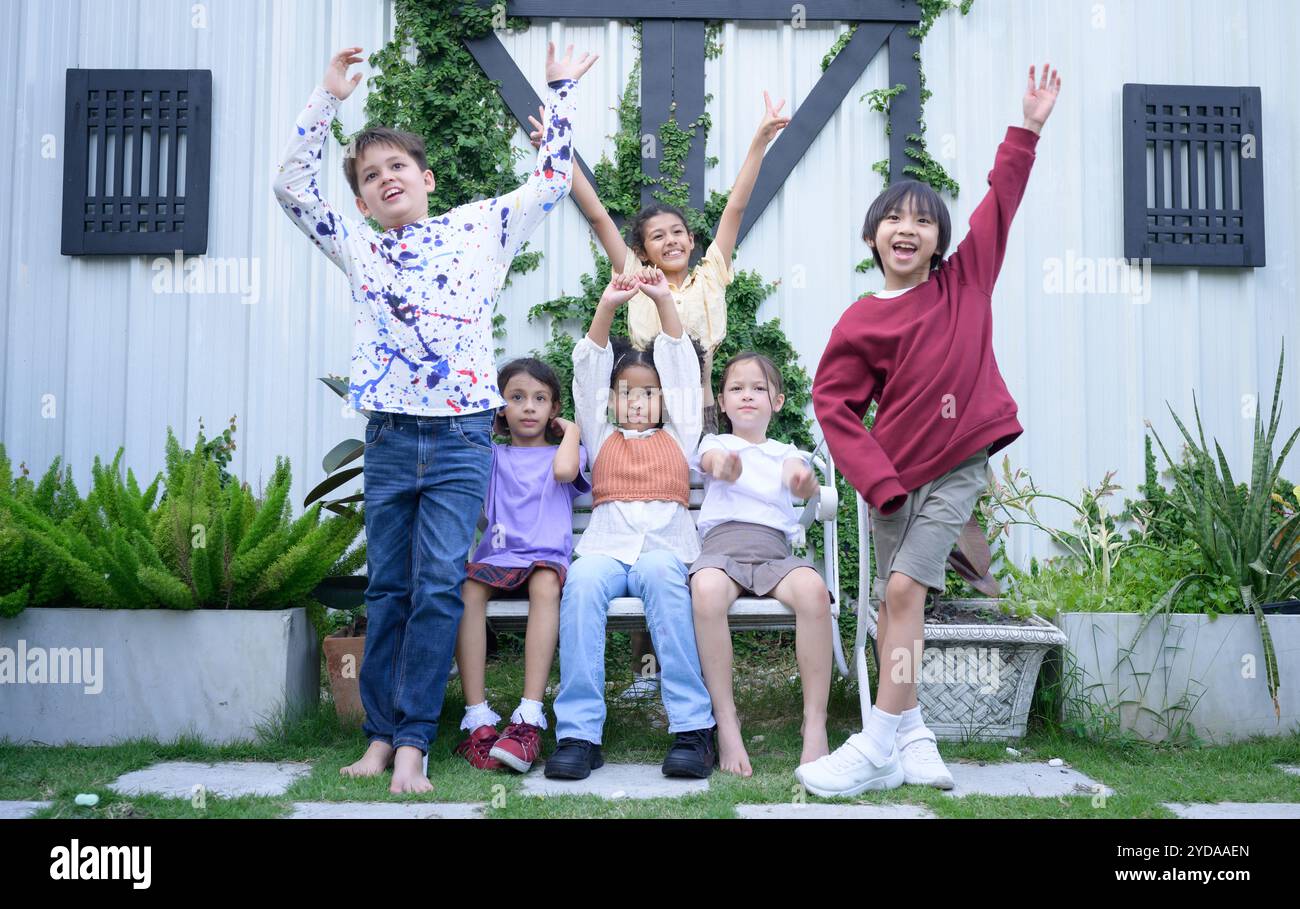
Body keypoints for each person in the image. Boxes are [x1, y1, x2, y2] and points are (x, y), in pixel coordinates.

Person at [274, 42, 596, 793]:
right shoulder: (356, 245)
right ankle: (379, 736)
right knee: (388, 588)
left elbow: (553, 178)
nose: (385, 179)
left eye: (397, 168)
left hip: (458, 439)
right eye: (369, 176)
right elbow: (291, 187)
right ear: (359, 201)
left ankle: (415, 739)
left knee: (439, 589)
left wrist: (559, 92)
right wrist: (327, 99)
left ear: (427, 179)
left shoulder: (480, 228)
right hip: (389, 434)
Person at [802, 64, 1061, 797]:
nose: (907, 227)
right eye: (894, 218)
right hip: (895, 481)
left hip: (956, 466)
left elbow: (1000, 203)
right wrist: (879, 483)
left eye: (922, 218)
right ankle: (912, 729)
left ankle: (874, 742)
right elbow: (833, 404)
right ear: (873, 236)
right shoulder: (861, 319)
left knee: (909, 587)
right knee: (896, 606)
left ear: (940, 237)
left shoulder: (965, 280)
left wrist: (1029, 129)